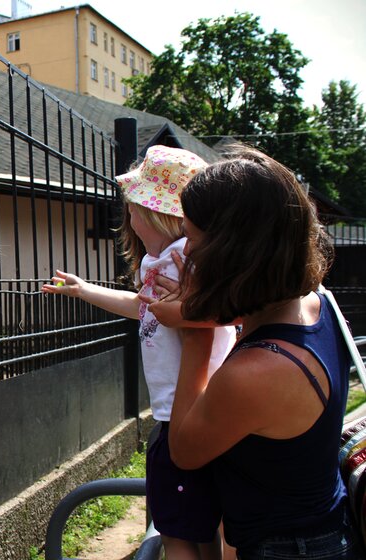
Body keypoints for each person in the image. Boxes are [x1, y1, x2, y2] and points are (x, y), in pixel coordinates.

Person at [153, 145, 362, 559]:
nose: (186, 251)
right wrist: (203, 307)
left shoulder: (256, 371)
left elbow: (185, 451)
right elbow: (246, 309)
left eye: (192, 237)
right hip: (325, 530)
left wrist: (194, 333)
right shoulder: (316, 302)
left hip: (289, 550)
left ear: (233, 251)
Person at [42, 145, 237, 560]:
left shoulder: (180, 262)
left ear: (151, 213)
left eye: (132, 203)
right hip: (201, 411)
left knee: (176, 533)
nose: (127, 210)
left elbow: (196, 320)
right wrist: (84, 289)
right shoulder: (165, 261)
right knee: (206, 524)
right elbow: (142, 307)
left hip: (183, 414)